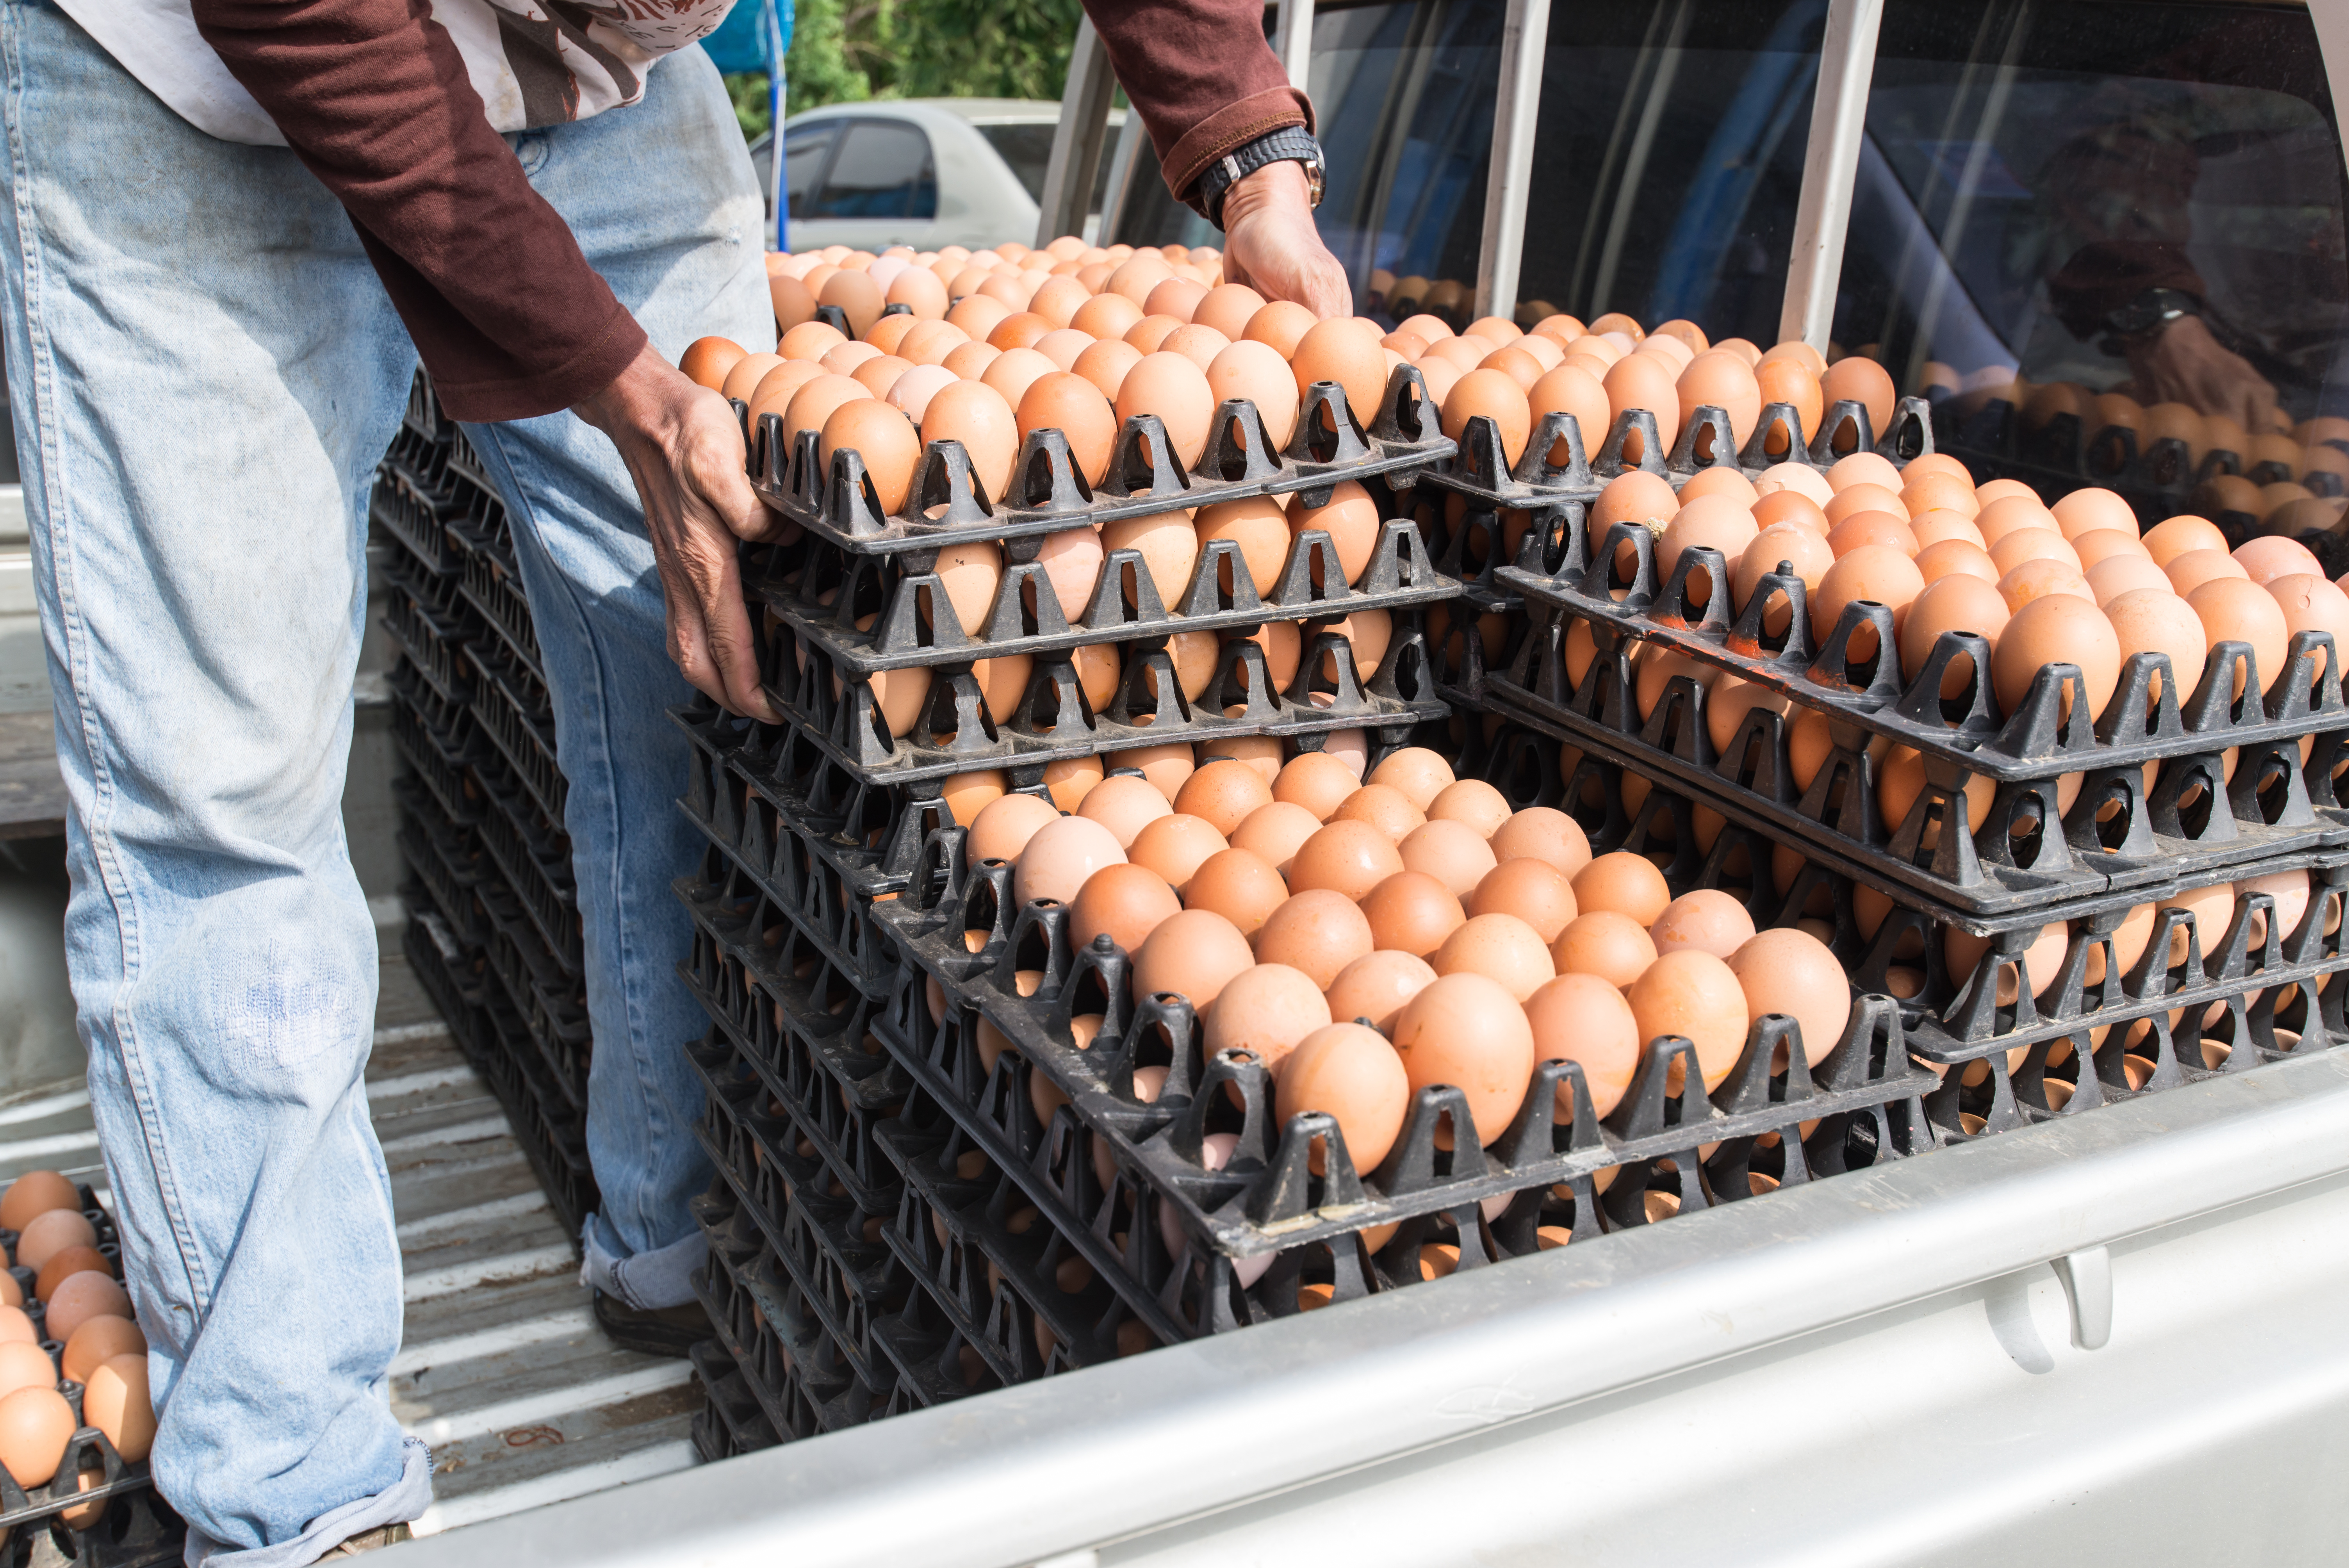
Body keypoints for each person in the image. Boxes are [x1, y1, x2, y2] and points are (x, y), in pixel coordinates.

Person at [0, 0, 1351, 1561]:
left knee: (711, 657)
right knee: (218, 802)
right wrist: (625, 390)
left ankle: (691, 1237)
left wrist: (1244, 145)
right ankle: (301, 1492)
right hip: (189, 73)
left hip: (585, 75)